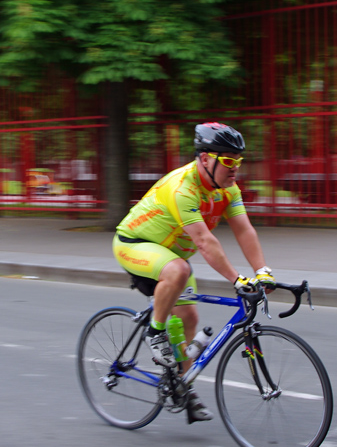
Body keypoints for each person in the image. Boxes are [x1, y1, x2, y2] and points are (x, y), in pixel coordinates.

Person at [113, 122, 276, 423]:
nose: (234, 168)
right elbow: (204, 241)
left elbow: (244, 230)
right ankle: (154, 331)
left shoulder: (228, 190)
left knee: (189, 317)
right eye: (227, 160)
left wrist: (262, 271)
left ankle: (182, 388)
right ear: (204, 159)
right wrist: (237, 279)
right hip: (134, 244)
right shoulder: (182, 188)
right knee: (179, 269)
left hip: (173, 257)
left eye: (238, 161)